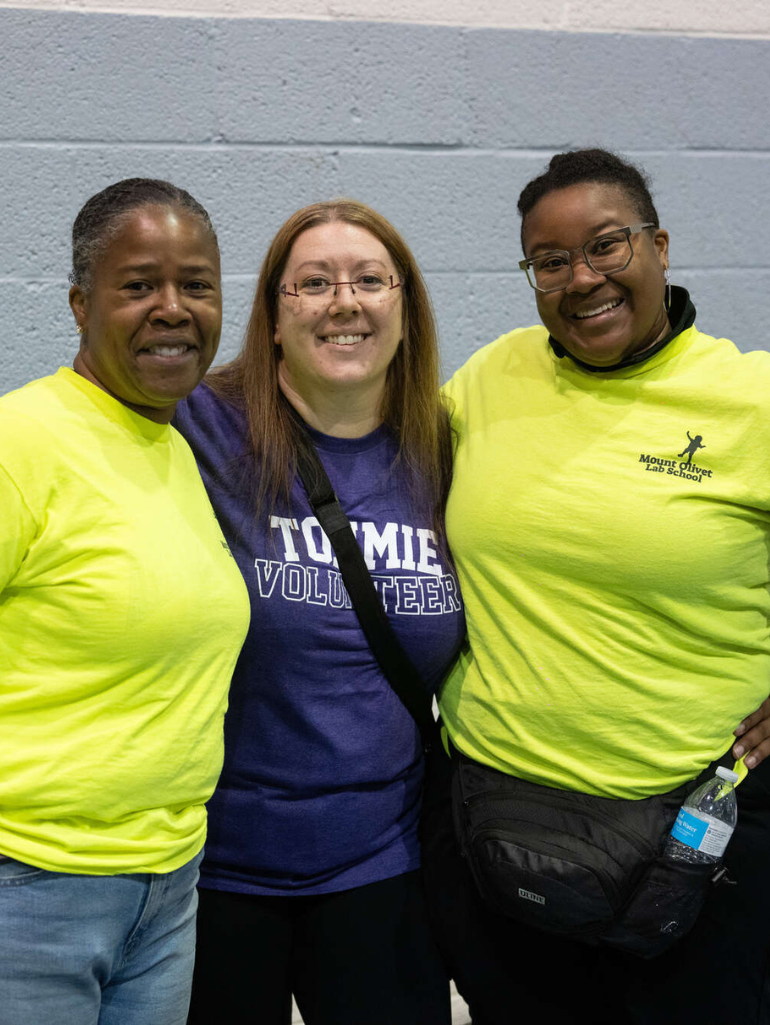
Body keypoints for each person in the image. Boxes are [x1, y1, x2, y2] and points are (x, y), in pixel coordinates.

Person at [425, 149, 770, 1024]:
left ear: (658, 245)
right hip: (496, 832)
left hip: (692, 852)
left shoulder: (751, 400)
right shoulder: (494, 376)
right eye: (550, 261)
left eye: (607, 246)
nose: (582, 279)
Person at [174, 200, 465, 1025]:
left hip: (383, 867)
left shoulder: (448, 451)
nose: (345, 301)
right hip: (215, 875)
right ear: (273, 315)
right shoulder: (195, 427)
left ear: (404, 308)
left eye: (371, 280)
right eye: (313, 283)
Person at [0, 178, 251, 1025]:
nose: (173, 308)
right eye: (139, 285)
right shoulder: (21, 443)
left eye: (197, 284)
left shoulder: (176, 445)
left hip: (169, 883)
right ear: (80, 303)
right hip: (29, 888)